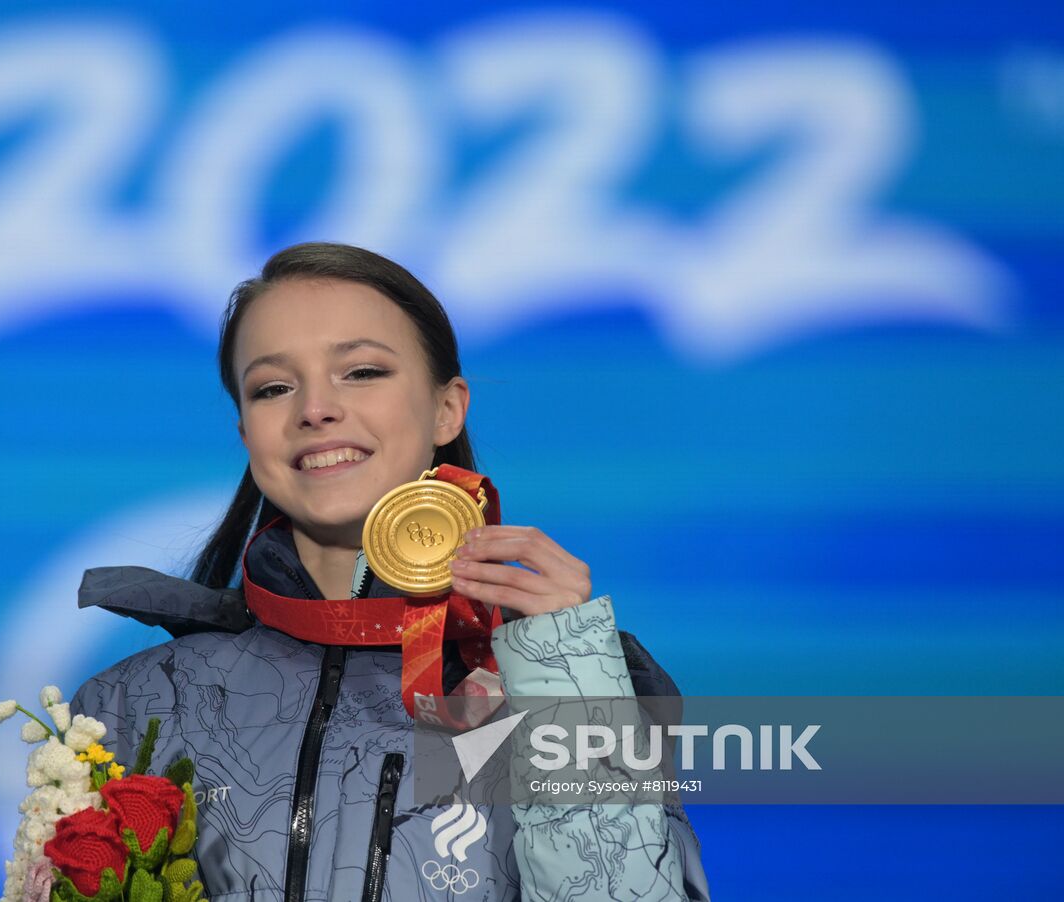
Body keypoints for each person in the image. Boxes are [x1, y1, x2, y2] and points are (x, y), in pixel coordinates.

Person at [69, 242, 711, 900]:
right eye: (273, 387)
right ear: (247, 433)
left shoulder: (557, 678)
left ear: (447, 410)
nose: (314, 408)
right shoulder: (133, 705)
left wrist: (567, 681)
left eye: (362, 371)